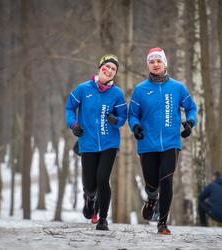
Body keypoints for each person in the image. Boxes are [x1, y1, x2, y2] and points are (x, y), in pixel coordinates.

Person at [128, 47, 197, 235]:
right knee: (152, 183)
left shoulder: (177, 88)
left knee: (166, 180)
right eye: (152, 61)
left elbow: (192, 108)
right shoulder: (140, 90)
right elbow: (132, 115)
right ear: (148, 65)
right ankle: (151, 198)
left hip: (171, 143)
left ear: (165, 63)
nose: (155, 64)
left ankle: (163, 223)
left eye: (159, 61)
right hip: (147, 143)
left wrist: (189, 123)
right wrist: (135, 127)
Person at [65, 54, 127, 230]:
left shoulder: (117, 93)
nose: (109, 70)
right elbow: (70, 108)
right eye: (106, 67)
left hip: (109, 143)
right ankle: (90, 198)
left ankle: (103, 219)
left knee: (103, 179)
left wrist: (116, 120)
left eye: (113, 69)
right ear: (99, 68)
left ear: (115, 74)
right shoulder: (83, 89)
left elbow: (123, 116)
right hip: (88, 143)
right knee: (90, 185)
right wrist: (73, 124)